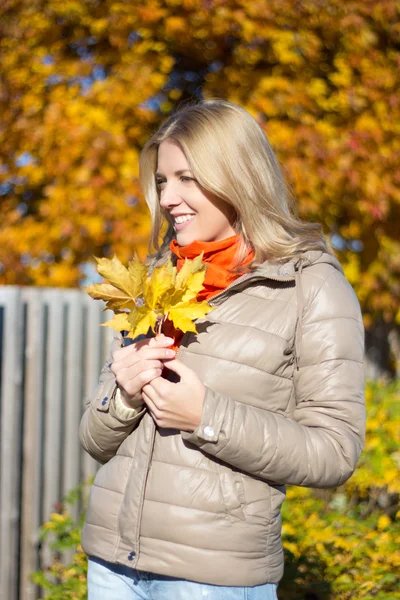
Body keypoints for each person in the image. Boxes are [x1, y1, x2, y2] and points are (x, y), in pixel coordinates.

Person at [79, 99, 365, 600]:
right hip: (112, 566)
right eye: (164, 180)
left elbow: (336, 451)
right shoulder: (153, 280)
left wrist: (206, 416)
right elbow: (94, 440)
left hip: (212, 580)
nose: (169, 197)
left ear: (237, 177)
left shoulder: (308, 286)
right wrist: (122, 395)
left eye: (187, 178)